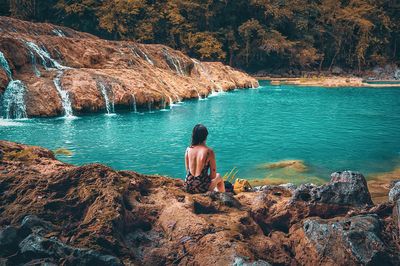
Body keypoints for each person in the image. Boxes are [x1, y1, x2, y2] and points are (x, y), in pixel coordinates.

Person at [184, 124, 225, 193]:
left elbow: (187, 169)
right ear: (206, 136)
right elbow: (213, 176)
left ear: (193, 136)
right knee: (219, 176)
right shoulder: (209, 152)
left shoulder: (188, 150)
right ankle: (223, 198)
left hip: (188, 186)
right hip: (201, 188)